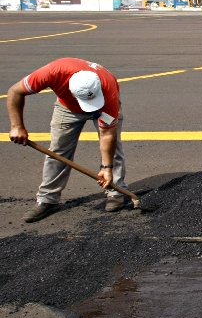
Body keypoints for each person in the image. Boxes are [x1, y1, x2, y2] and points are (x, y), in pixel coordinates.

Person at [7, 58, 128, 222]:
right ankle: (48, 199)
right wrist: (17, 126)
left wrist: (106, 168)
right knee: (58, 151)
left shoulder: (108, 90)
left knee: (113, 149)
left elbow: (107, 135)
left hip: (102, 107)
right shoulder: (52, 73)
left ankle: (116, 190)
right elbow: (15, 91)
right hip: (67, 107)